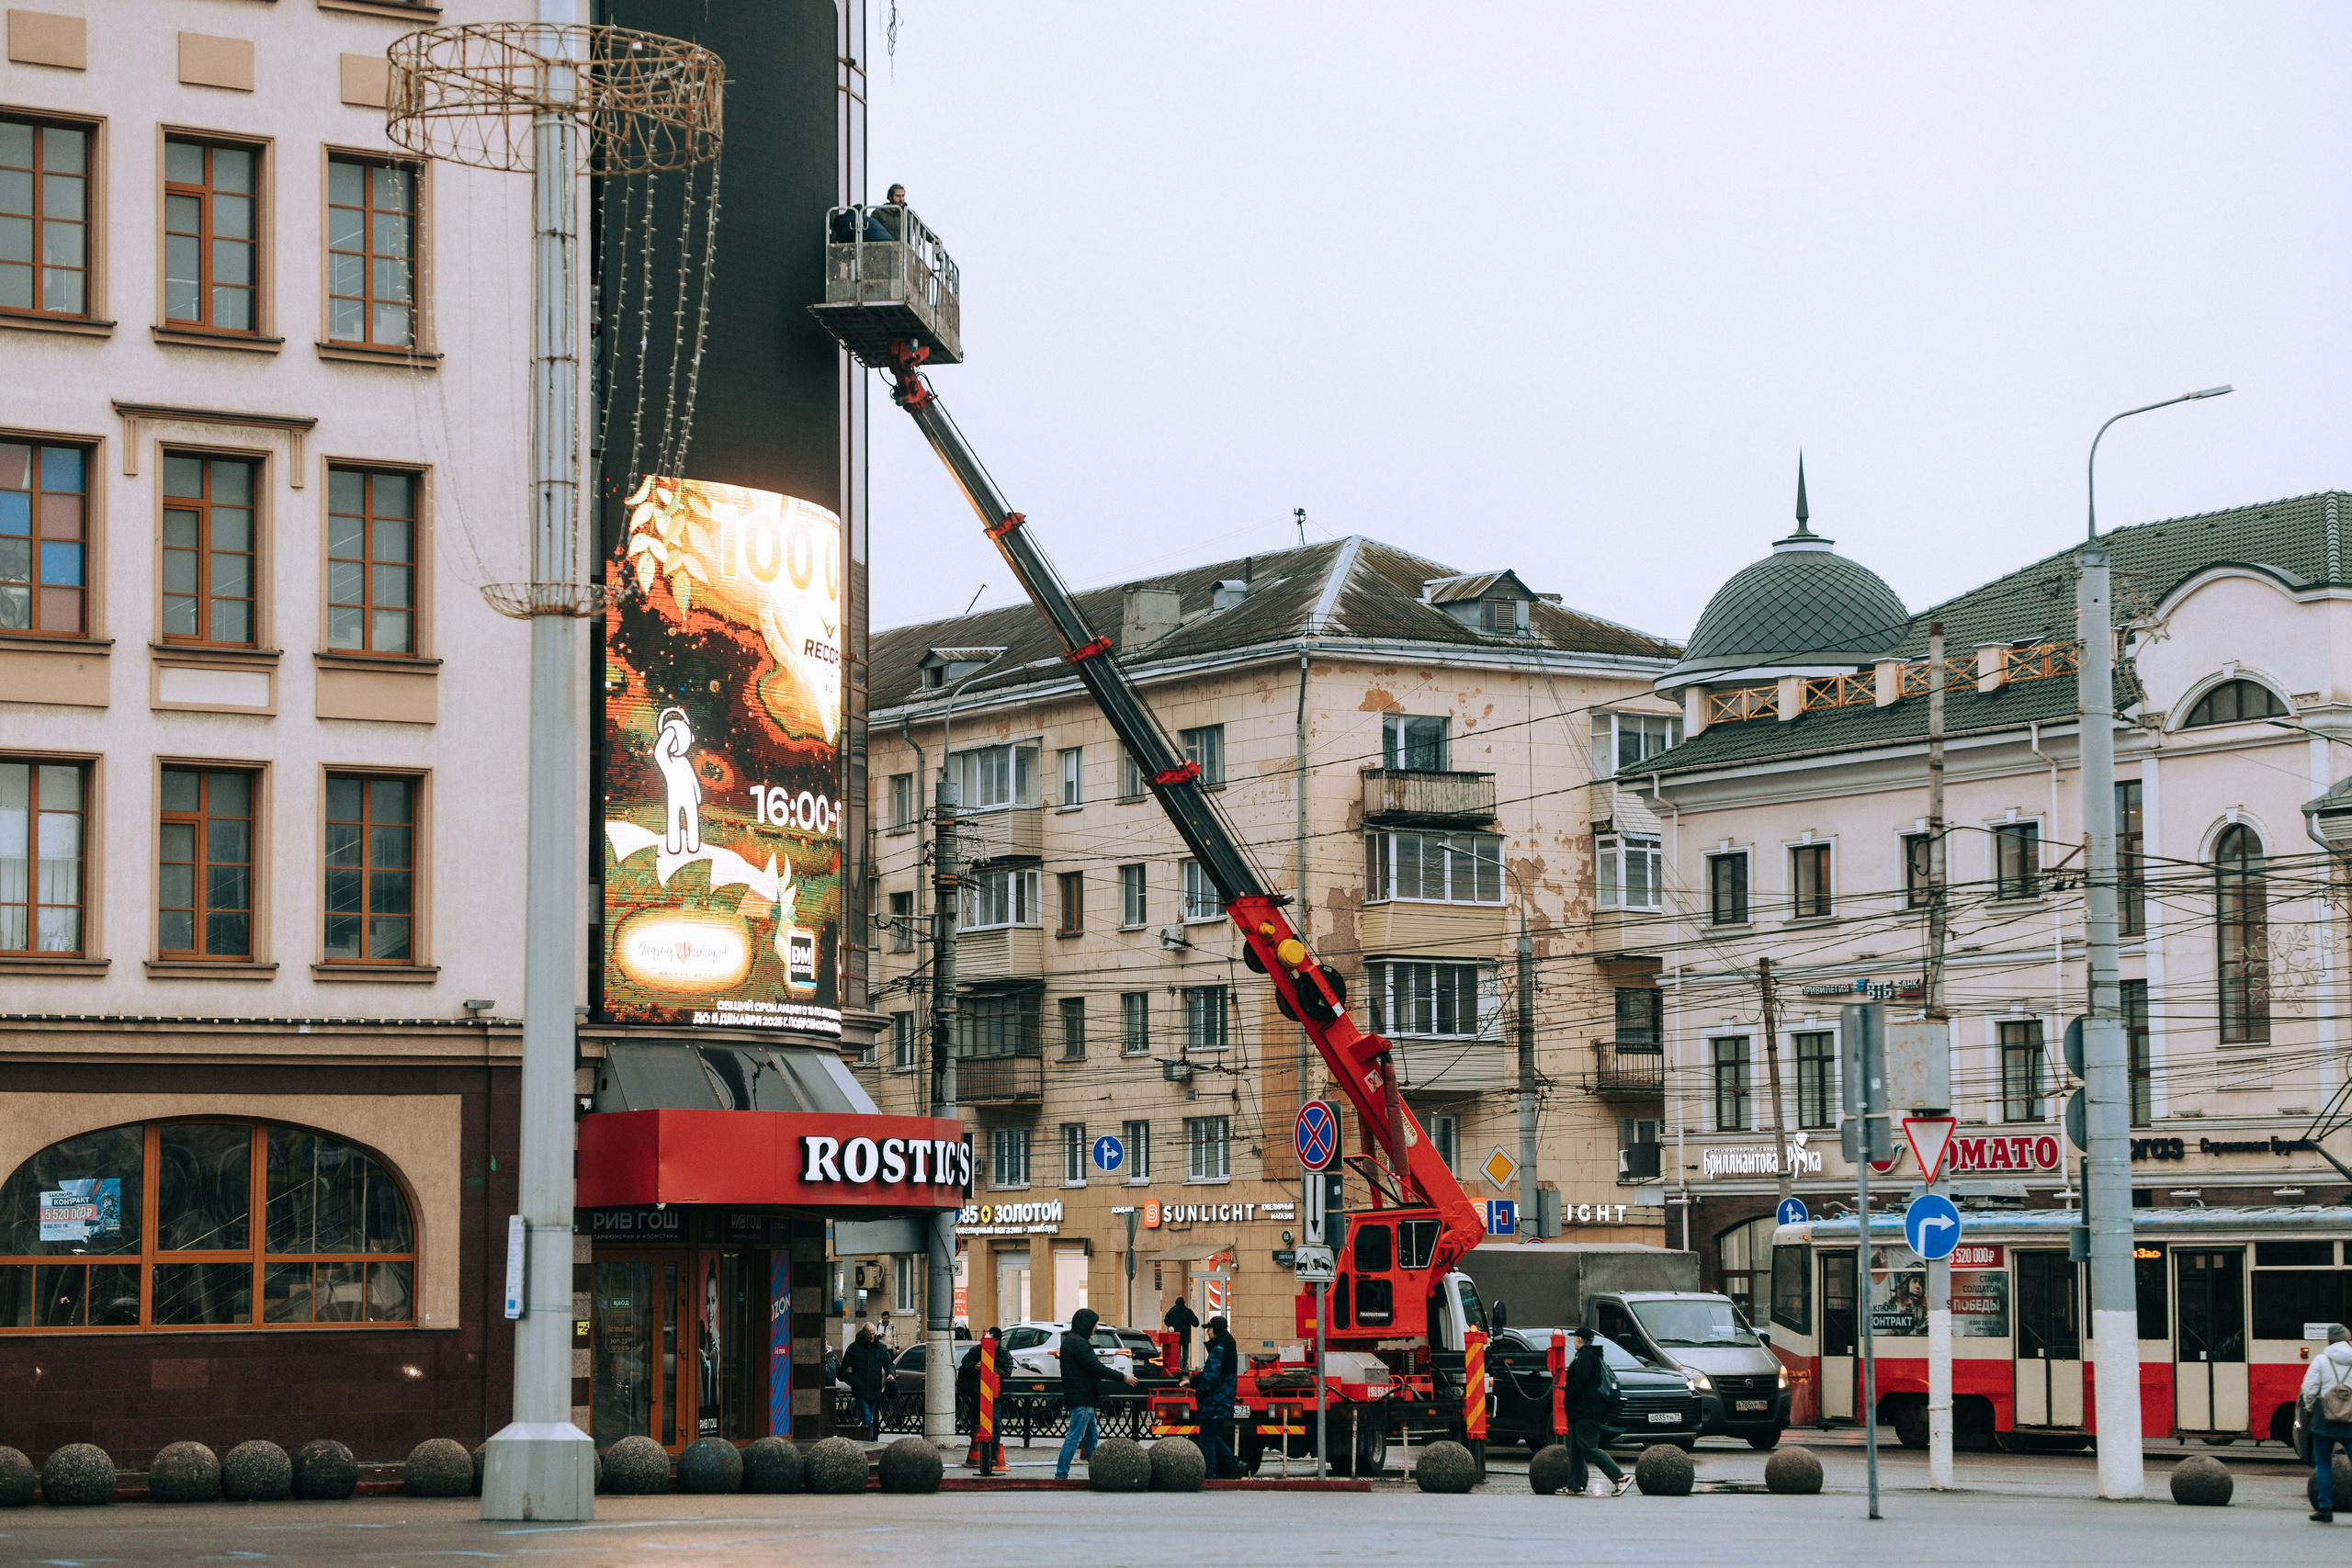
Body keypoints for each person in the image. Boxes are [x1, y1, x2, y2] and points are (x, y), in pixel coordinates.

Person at [1055, 1308, 1138, 1479]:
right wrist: (1123, 1377)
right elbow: (1096, 1367)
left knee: (1092, 1436)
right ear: (1086, 1325)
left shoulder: (1072, 1341)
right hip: (1083, 1398)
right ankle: (1061, 1475)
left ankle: (1096, 1472)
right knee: (1074, 1438)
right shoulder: (1079, 1343)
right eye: (1094, 1324)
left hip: (1083, 1397)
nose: (1096, 1328)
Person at [1560, 1326, 1631, 1497]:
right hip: (1582, 1410)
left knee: (1588, 1447)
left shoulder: (1586, 1356)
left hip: (1587, 1410)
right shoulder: (1592, 1355)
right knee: (1575, 1448)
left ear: (1579, 1339)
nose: (1573, 1341)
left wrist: (1568, 1398)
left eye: (1575, 1338)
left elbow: (1581, 1382)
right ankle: (1574, 1485)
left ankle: (1620, 1478)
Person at [2303, 1322, 2352, 1521]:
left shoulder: (2321, 1360)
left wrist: (2309, 1407)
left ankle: (2325, 1508)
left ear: (2329, 1340)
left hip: (2324, 1418)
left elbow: (2309, 1388)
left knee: (2323, 1464)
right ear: (2348, 1339)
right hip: (2351, 1417)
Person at [1193, 1315, 1241, 1478]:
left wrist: (1199, 1391)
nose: (1207, 1332)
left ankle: (1211, 1473)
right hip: (1224, 1397)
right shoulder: (1228, 1347)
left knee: (1206, 1436)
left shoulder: (1218, 1349)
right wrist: (1192, 1381)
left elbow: (1210, 1376)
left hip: (1215, 1399)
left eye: (1209, 1329)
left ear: (1216, 1330)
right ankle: (1234, 1463)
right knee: (1210, 1434)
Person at [842, 1323, 894, 1435]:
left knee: (871, 1416)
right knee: (866, 1415)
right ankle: (869, 1439)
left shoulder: (881, 1348)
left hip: (875, 1389)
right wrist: (853, 1380)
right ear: (863, 1333)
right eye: (869, 1334)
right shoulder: (854, 1348)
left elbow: (889, 1364)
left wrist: (890, 1374)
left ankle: (870, 1437)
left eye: (873, 1334)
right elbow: (843, 1370)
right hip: (860, 1389)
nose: (871, 1337)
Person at [1163, 1298, 1201, 1372]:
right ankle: (1184, 1364)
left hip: (1175, 1334)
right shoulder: (1188, 1312)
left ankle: (1179, 1364)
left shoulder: (1171, 1312)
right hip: (1185, 1334)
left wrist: (1172, 1325)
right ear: (1184, 1303)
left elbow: (1166, 1321)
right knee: (1185, 1348)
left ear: (1176, 1303)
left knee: (1177, 1349)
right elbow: (1196, 1323)